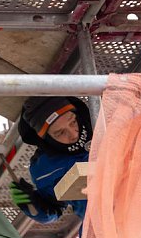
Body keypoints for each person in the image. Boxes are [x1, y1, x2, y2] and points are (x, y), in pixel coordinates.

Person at [9, 96, 91, 224]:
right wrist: (34, 206)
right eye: (60, 133)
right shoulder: (46, 169)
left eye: (73, 121)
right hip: (104, 227)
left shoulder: (100, 118)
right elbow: (54, 210)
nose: (74, 134)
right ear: (46, 139)